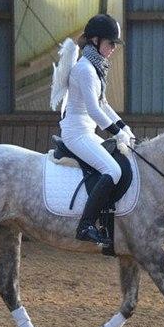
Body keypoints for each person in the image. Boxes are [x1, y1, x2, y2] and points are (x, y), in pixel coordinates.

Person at [59, 13, 135, 245]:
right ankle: (86, 225)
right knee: (112, 171)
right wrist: (116, 133)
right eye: (110, 43)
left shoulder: (95, 67)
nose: (113, 48)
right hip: (76, 133)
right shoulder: (85, 69)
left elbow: (103, 104)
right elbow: (93, 110)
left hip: (86, 132)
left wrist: (124, 127)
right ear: (95, 40)